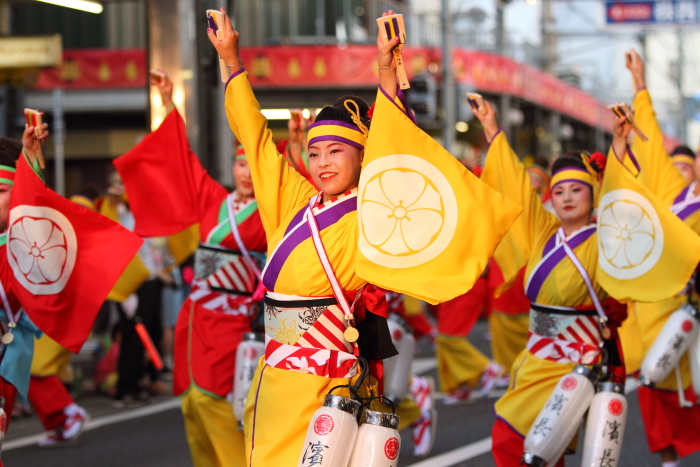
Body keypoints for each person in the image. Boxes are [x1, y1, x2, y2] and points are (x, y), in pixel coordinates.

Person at [208, 8, 519, 465]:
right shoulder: (294, 200)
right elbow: (255, 138)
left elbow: (396, 145)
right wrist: (231, 62)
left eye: (337, 151)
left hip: (331, 378)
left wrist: (387, 71)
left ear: (361, 157)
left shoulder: (376, 210)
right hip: (275, 372)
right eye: (314, 153)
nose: (323, 162)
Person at [113, 72, 267, 467]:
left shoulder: (271, 211)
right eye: (239, 165)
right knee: (192, 405)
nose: (246, 173)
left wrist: (298, 147)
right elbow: (182, 160)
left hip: (235, 320)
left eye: (252, 165)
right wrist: (168, 105)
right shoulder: (214, 198)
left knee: (216, 401)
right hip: (196, 314)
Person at [474, 96, 636, 464]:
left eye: (576, 190)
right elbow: (516, 189)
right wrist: (492, 130)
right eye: (558, 191)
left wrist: (621, 144)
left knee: (514, 439)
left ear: (595, 196)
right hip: (537, 354)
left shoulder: (605, 239)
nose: (565, 198)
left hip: (576, 359)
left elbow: (622, 198)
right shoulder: (543, 231)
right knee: (545, 449)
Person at [619, 49, 700, 466]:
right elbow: (650, 143)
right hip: (660, 311)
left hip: (695, 310)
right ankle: (669, 459)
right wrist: (640, 85)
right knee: (653, 382)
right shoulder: (673, 189)